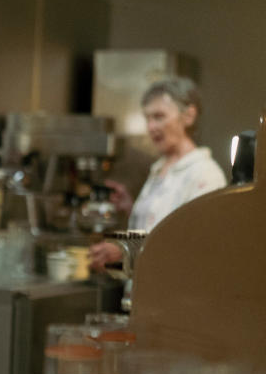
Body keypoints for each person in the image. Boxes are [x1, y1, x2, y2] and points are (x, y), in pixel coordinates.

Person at [89, 77, 227, 270]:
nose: (151, 127)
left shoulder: (205, 175)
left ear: (188, 116)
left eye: (159, 116)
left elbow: (197, 246)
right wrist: (132, 208)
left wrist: (127, 250)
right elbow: (158, 227)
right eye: (147, 118)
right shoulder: (159, 168)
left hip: (171, 296)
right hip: (140, 292)